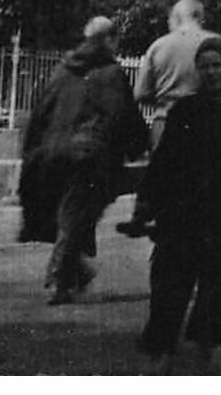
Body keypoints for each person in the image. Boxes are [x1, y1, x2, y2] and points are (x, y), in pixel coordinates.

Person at [123, 36, 221, 374]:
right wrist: (146, 205)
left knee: (216, 297)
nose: (211, 73)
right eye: (204, 67)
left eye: (217, 66)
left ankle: (200, 364)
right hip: (184, 218)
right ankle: (162, 364)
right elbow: (163, 164)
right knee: (168, 291)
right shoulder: (186, 110)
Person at [18, 17, 149, 305]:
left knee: (70, 214)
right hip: (88, 154)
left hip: (51, 152)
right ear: (110, 40)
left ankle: (73, 273)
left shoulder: (61, 70)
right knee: (77, 215)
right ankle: (59, 276)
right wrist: (138, 145)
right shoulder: (111, 73)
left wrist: (32, 151)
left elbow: (40, 112)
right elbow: (120, 113)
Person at [133, 0, 215, 147]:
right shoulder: (216, 43)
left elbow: (140, 93)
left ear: (176, 18)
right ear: (200, 17)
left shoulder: (158, 46)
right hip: (207, 122)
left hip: (165, 123)